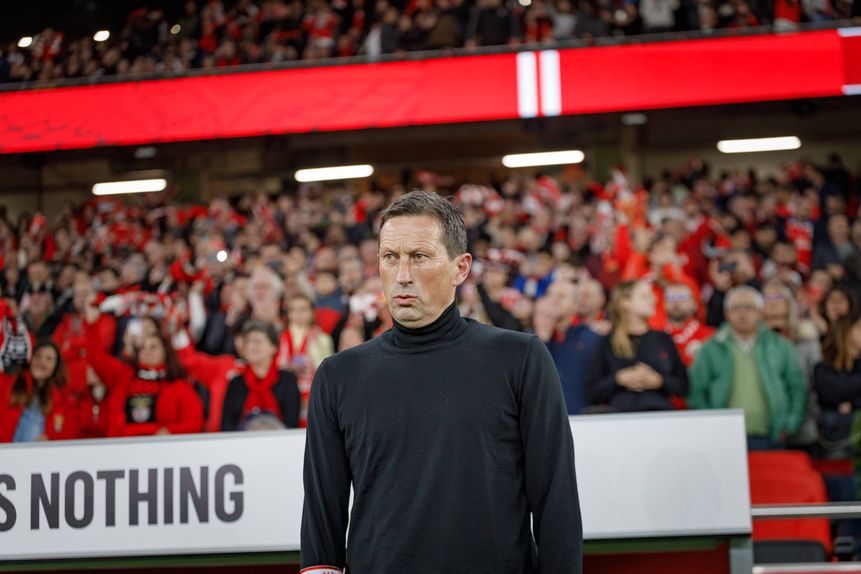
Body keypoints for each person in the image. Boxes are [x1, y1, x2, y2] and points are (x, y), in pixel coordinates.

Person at [301, 191, 581, 573]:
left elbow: (556, 503)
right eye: (390, 257)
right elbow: (322, 521)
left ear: (460, 268)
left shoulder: (520, 359)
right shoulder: (338, 377)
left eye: (419, 256)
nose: (403, 275)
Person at [689, 286, 808, 450]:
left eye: (749, 308)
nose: (743, 313)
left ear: (760, 312)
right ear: (726, 313)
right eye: (736, 308)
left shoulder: (780, 346)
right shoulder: (711, 348)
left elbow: (797, 387)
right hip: (723, 439)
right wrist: (710, 426)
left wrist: (789, 424)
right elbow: (696, 391)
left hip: (772, 436)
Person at [84, 301, 204, 437]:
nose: (147, 351)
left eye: (153, 347)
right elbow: (96, 357)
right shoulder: (123, 376)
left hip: (163, 448)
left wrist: (168, 432)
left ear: (165, 351)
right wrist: (92, 325)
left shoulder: (179, 386)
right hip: (121, 447)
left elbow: (194, 423)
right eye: (142, 348)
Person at [584, 280, 688, 412]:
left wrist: (659, 380)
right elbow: (592, 391)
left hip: (660, 415)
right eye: (645, 296)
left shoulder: (663, 339)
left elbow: (683, 385)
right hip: (620, 417)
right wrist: (619, 379)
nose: (654, 299)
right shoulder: (606, 342)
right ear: (625, 302)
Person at [534, 279, 600, 414]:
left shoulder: (590, 339)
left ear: (576, 305)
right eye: (550, 295)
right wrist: (542, 338)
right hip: (544, 417)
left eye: (561, 296)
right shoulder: (533, 338)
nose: (553, 301)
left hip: (583, 417)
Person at [222, 320, 300, 431]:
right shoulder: (235, 383)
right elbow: (227, 425)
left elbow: (292, 422)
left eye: (257, 341)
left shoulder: (287, 380)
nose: (252, 346)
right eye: (248, 342)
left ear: (273, 347)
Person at [0, 340, 78, 442]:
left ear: (56, 366)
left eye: (49, 359)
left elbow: (71, 436)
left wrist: (51, 440)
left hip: (39, 452)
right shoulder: (10, 384)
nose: (42, 362)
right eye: (38, 356)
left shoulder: (64, 401)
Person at [813, 313, 861, 448]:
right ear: (846, 332)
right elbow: (830, 394)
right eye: (859, 327)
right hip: (836, 437)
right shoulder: (824, 367)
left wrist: (852, 403)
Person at [663, 282, 714, 368]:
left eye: (682, 297)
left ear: (695, 304)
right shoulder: (655, 337)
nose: (676, 302)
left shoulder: (710, 336)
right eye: (670, 298)